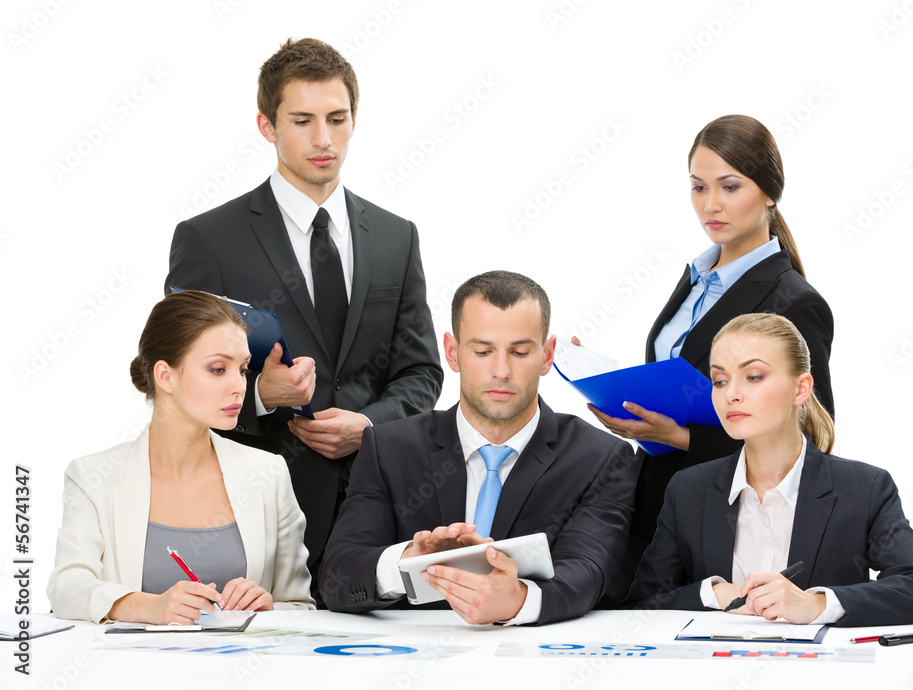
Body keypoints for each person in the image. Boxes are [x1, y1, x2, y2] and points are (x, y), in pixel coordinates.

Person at [164, 38, 443, 600]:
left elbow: (422, 373)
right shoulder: (208, 240)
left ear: (354, 120)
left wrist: (369, 425)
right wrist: (260, 393)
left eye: (337, 119)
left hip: (383, 508)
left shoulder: (396, 236)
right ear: (267, 126)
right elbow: (172, 382)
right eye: (302, 120)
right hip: (257, 518)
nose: (323, 139)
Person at [587, 114, 835, 603]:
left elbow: (809, 434)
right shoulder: (697, 278)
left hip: (727, 516)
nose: (710, 205)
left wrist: (679, 437)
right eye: (699, 188)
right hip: (657, 499)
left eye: (729, 186)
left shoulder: (792, 300)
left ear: (769, 192)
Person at [320, 271, 635, 625]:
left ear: (547, 356)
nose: (501, 371)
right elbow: (336, 576)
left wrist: (517, 601)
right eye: (483, 351)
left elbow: (588, 570)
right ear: (452, 353)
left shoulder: (600, 457)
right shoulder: (389, 448)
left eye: (519, 351)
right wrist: (407, 560)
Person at [624, 314, 913, 626]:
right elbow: (643, 603)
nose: (731, 394)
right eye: (719, 380)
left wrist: (815, 604)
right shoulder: (688, 489)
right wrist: (715, 593)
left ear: (800, 388)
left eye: (753, 377)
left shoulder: (863, 487)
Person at [47, 291, 314, 624]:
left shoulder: (267, 473)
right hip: (127, 674)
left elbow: (301, 607)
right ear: (165, 376)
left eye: (243, 370)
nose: (239, 386)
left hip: (239, 669)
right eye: (218, 369)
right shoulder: (92, 476)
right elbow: (67, 588)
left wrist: (267, 607)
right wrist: (149, 607)